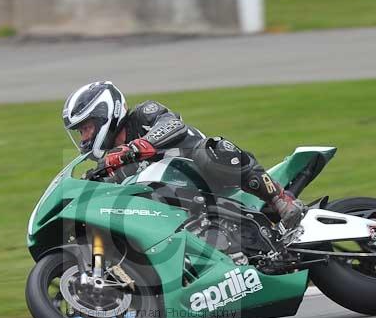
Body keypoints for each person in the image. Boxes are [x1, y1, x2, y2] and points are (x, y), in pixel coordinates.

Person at [62, 81, 304, 232]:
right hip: (184, 206)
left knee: (210, 150)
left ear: (106, 115)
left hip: (208, 174)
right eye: (81, 132)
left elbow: (172, 125)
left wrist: (134, 149)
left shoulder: (145, 114)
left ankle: (280, 200)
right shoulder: (112, 161)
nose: (84, 137)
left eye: (87, 128)